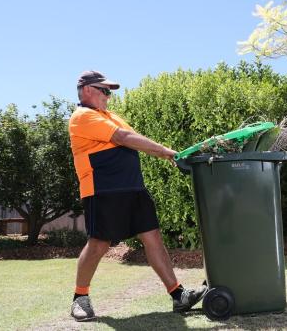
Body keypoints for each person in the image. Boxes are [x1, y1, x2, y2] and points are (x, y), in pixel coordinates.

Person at [68, 70, 206, 321]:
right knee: (98, 244)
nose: (108, 97)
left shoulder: (110, 116)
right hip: (102, 190)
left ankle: (179, 296)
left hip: (133, 188)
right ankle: (80, 298)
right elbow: (123, 138)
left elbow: (135, 140)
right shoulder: (82, 116)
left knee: (153, 237)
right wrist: (167, 152)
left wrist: (167, 153)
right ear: (87, 90)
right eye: (105, 91)